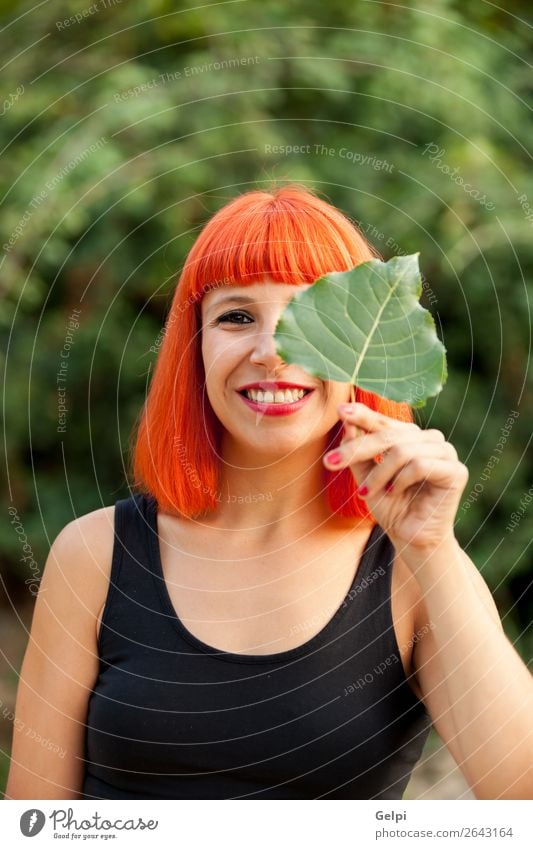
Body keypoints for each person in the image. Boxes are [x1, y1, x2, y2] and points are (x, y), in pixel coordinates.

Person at [6, 185, 532, 801]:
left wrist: (431, 548)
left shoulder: (415, 568)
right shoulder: (93, 555)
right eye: (236, 316)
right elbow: (34, 822)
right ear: (194, 347)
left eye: (311, 318)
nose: (272, 353)